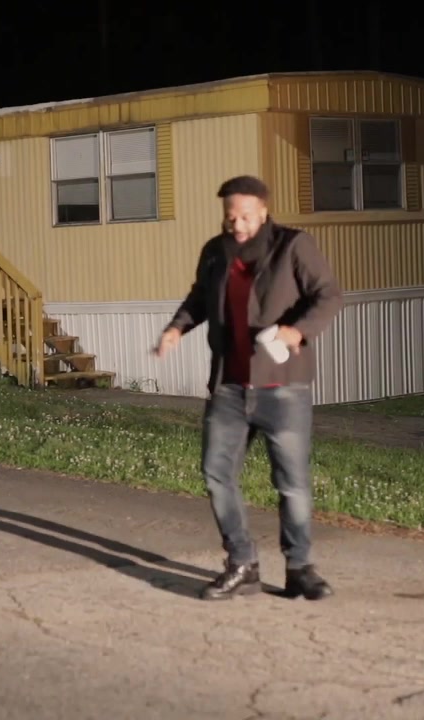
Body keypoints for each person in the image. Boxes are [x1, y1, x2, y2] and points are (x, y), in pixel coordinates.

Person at [155, 175, 343, 601]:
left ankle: (300, 569)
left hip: (283, 387)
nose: (236, 225)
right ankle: (242, 563)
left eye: (244, 216)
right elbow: (199, 298)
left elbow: (328, 295)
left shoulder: (293, 246)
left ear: (262, 211)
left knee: (292, 482)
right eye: (230, 217)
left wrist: (296, 331)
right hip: (230, 386)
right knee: (217, 473)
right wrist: (176, 328)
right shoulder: (215, 252)